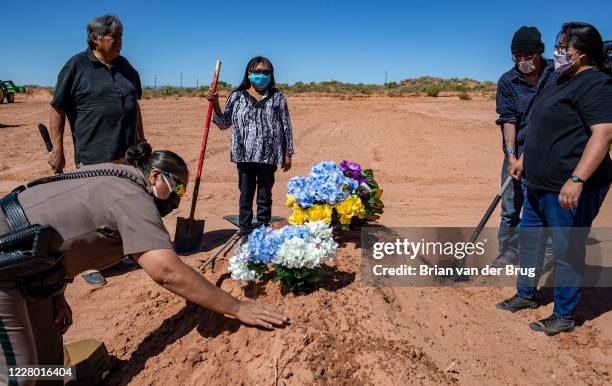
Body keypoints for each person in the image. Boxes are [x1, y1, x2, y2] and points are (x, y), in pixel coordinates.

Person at [0, 142, 287, 386]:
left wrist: (56, 291)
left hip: (31, 270)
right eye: (177, 188)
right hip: (6, 265)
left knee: (48, 365)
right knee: (19, 374)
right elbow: (167, 272)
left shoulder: (115, 176)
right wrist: (237, 308)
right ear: (154, 176)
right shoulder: (131, 196)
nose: (177, 199)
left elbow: (64, 231)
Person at [496, 22, 612, 335]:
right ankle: (525, 294)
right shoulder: (561, 79)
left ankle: (563, 314)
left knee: (567, 250)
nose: (558, 52)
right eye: (558, 46)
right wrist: (521, 158)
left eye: (564, 47)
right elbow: (540, 127)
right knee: (530, 242)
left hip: (566, 187)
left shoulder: (596, 84)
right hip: (536, 181)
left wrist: (577, 179)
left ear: (582, 54)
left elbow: (603, 133)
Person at [48, 14, 145, 286]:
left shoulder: (126, 68)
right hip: (93, 156)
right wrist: (58, 149)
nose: (119, 42)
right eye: (114, 37)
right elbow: (58, 108)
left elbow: (134, 106)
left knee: (121, 206)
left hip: (126, 153)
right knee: (89, 214)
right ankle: (86, 264)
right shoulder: (76, 66)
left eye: (121, 36)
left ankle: (115, 256)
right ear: (95, 38)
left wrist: (141, 141)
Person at [493, 26, 558, 268]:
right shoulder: (508, 81)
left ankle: (548, 254)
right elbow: (508, 120)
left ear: (539, 53)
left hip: (551, 152)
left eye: (528, 57)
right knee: (510, 205)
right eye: (517, 57)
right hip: (517, 150)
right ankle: (507, 253)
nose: (523, 61)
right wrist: (511, 156)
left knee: (546, 205)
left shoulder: (558, 74)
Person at [207, 56, 294, 235]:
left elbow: (286, 125)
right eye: (257, 71)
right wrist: (215, 104)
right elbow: (224, 124)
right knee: (245, 193)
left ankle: (263, 228)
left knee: (264, 194)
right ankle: (245, 228)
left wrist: (288, 153)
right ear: (249, 73)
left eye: (266, 72)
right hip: (244, 153)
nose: (261, 75)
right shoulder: (237, 97)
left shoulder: (277, 97)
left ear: (271, 75)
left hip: (268, 154)